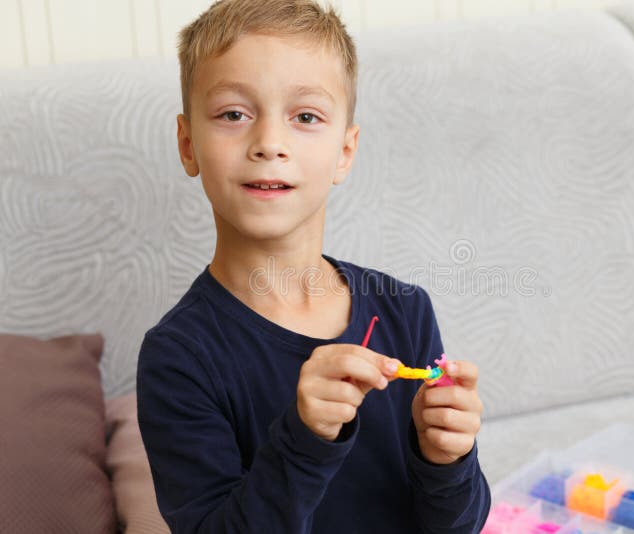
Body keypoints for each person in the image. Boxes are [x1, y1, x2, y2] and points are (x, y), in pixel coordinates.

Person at [136, 0, 491, 532]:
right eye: (234, 114)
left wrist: (448, 460)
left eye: (305, 117)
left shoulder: (405, 310)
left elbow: (456, 525)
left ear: (345, 151)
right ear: (189, 145)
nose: (269, 144)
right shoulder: (178, 358)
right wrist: (304, 441)